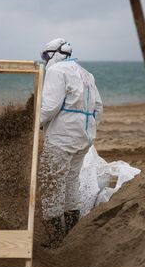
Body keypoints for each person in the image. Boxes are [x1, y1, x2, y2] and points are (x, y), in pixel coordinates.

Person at [38, 37, 103, 247]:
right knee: (71, 181)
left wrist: (34, 122)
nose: (45, 61)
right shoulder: (87, 74)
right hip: (84, 138)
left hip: (61, 138)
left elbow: (49, 107)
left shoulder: (56, 71)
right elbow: (98, 108)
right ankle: (71, 235)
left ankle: (55, 239)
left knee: (52, 184)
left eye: (46, 56)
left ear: (55, 54)